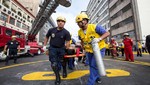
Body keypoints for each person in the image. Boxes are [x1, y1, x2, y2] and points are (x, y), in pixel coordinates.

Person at [76, 13, 110, 85]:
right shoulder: (79, 32)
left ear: (85, 21)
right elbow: (82, 41)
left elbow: (107, 33)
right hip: (89, 50)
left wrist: (99, 39)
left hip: (99, 49)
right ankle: (97, 77)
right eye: (77, 23)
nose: (78, 24)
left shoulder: (94, 27)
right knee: (92, 64)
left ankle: (90, 83)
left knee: (93, 65)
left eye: (80, 22)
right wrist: (84, 49)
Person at [43, 16, 71, 85]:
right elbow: (47, 37)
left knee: (63, 62)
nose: (60, 22)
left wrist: (67, 47)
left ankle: (64, 70)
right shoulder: (51, 30)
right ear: (57, 22)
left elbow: (68, 41)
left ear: (64, 23)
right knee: (54, 64)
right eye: (59, 21)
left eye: (62, 21)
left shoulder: (66, 32)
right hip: (52, 48)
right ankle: (58, 77)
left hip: (61, 49)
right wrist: (44, 46)